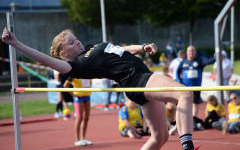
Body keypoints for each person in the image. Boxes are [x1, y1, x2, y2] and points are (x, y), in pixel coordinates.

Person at [2, 28, 200, 150]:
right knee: (184, 93)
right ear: (64, 52)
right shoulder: (77, 66)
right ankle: (188, 146)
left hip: (138, 81)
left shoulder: (90, 47)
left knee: (160, 138)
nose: (77, 41)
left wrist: (142, 46)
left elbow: (119, 50)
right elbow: (45, 59)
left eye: (75, 38)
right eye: (71, 42)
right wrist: (16, 43)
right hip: (138, 79)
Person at [177, 46, 215, 131]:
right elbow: (177, 71)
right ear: (187, 52)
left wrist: (215, 57)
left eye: (193, 51)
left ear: (195, 52)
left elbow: (209, 62)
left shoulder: (199, 60)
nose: (191, 52)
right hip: (185, 88)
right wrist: (180, 81)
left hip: (196, 87)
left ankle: (193, 119)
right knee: (185, 103)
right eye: (190, 51)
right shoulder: (183, 61)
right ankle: (185, 120)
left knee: (195, 104)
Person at [64, 77, 93, 146]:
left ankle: (83, 138)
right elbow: (65, 85)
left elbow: (90, 82)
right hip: (78, 97)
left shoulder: (88, 73)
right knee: (79, 118)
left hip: (87, 96)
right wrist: (73, 94)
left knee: (86, 117)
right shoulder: (74, 74)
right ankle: (77, 139)